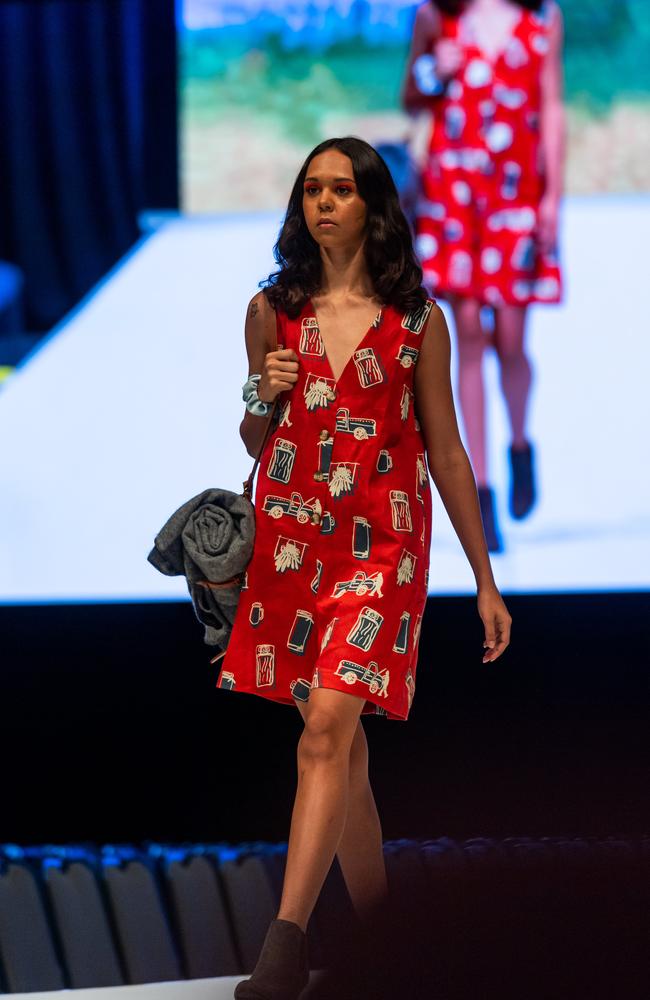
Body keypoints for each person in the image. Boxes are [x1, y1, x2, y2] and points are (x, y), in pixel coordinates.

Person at [216, 135, 511, 1000]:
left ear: (373, 204)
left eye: (342, 189)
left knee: (325, 732)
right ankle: (388, 942)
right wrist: (260, 396)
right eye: (312, 189)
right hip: (293, 541)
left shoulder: (418, 321)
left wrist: (485, 579)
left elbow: (447, 450)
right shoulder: (272, 309)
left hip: (381, 549)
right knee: (341, 753)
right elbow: (254, 440)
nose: (324, 203)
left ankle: (286, 944)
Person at [402, 0, 565, 551]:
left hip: (517, 193)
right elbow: (411, 96)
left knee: (513, 341)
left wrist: (553, 200)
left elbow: (552, 106)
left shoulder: (541, 17)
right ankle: (481, 488)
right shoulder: (436, 16)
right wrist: (433, 70)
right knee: (467, 335)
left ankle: (520, 443)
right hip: (454, 193)